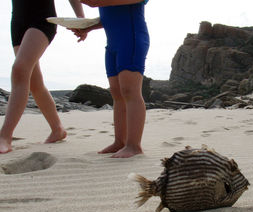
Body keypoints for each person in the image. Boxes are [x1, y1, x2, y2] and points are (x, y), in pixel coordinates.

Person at [0, 0, 86, 154]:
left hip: (42, 20)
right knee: (34, 82)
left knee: (20, 69)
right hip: (18, 21)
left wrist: (80, 18)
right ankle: (57, 129)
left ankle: (4, 137)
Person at [71, 0, 150, 158]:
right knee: (116, 93)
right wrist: (89, 26)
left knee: (130, 90)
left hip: (131, 40)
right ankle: (120, 141)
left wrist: (93, 2)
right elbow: (110, 15)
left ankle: (134, 145)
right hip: (113, 43)